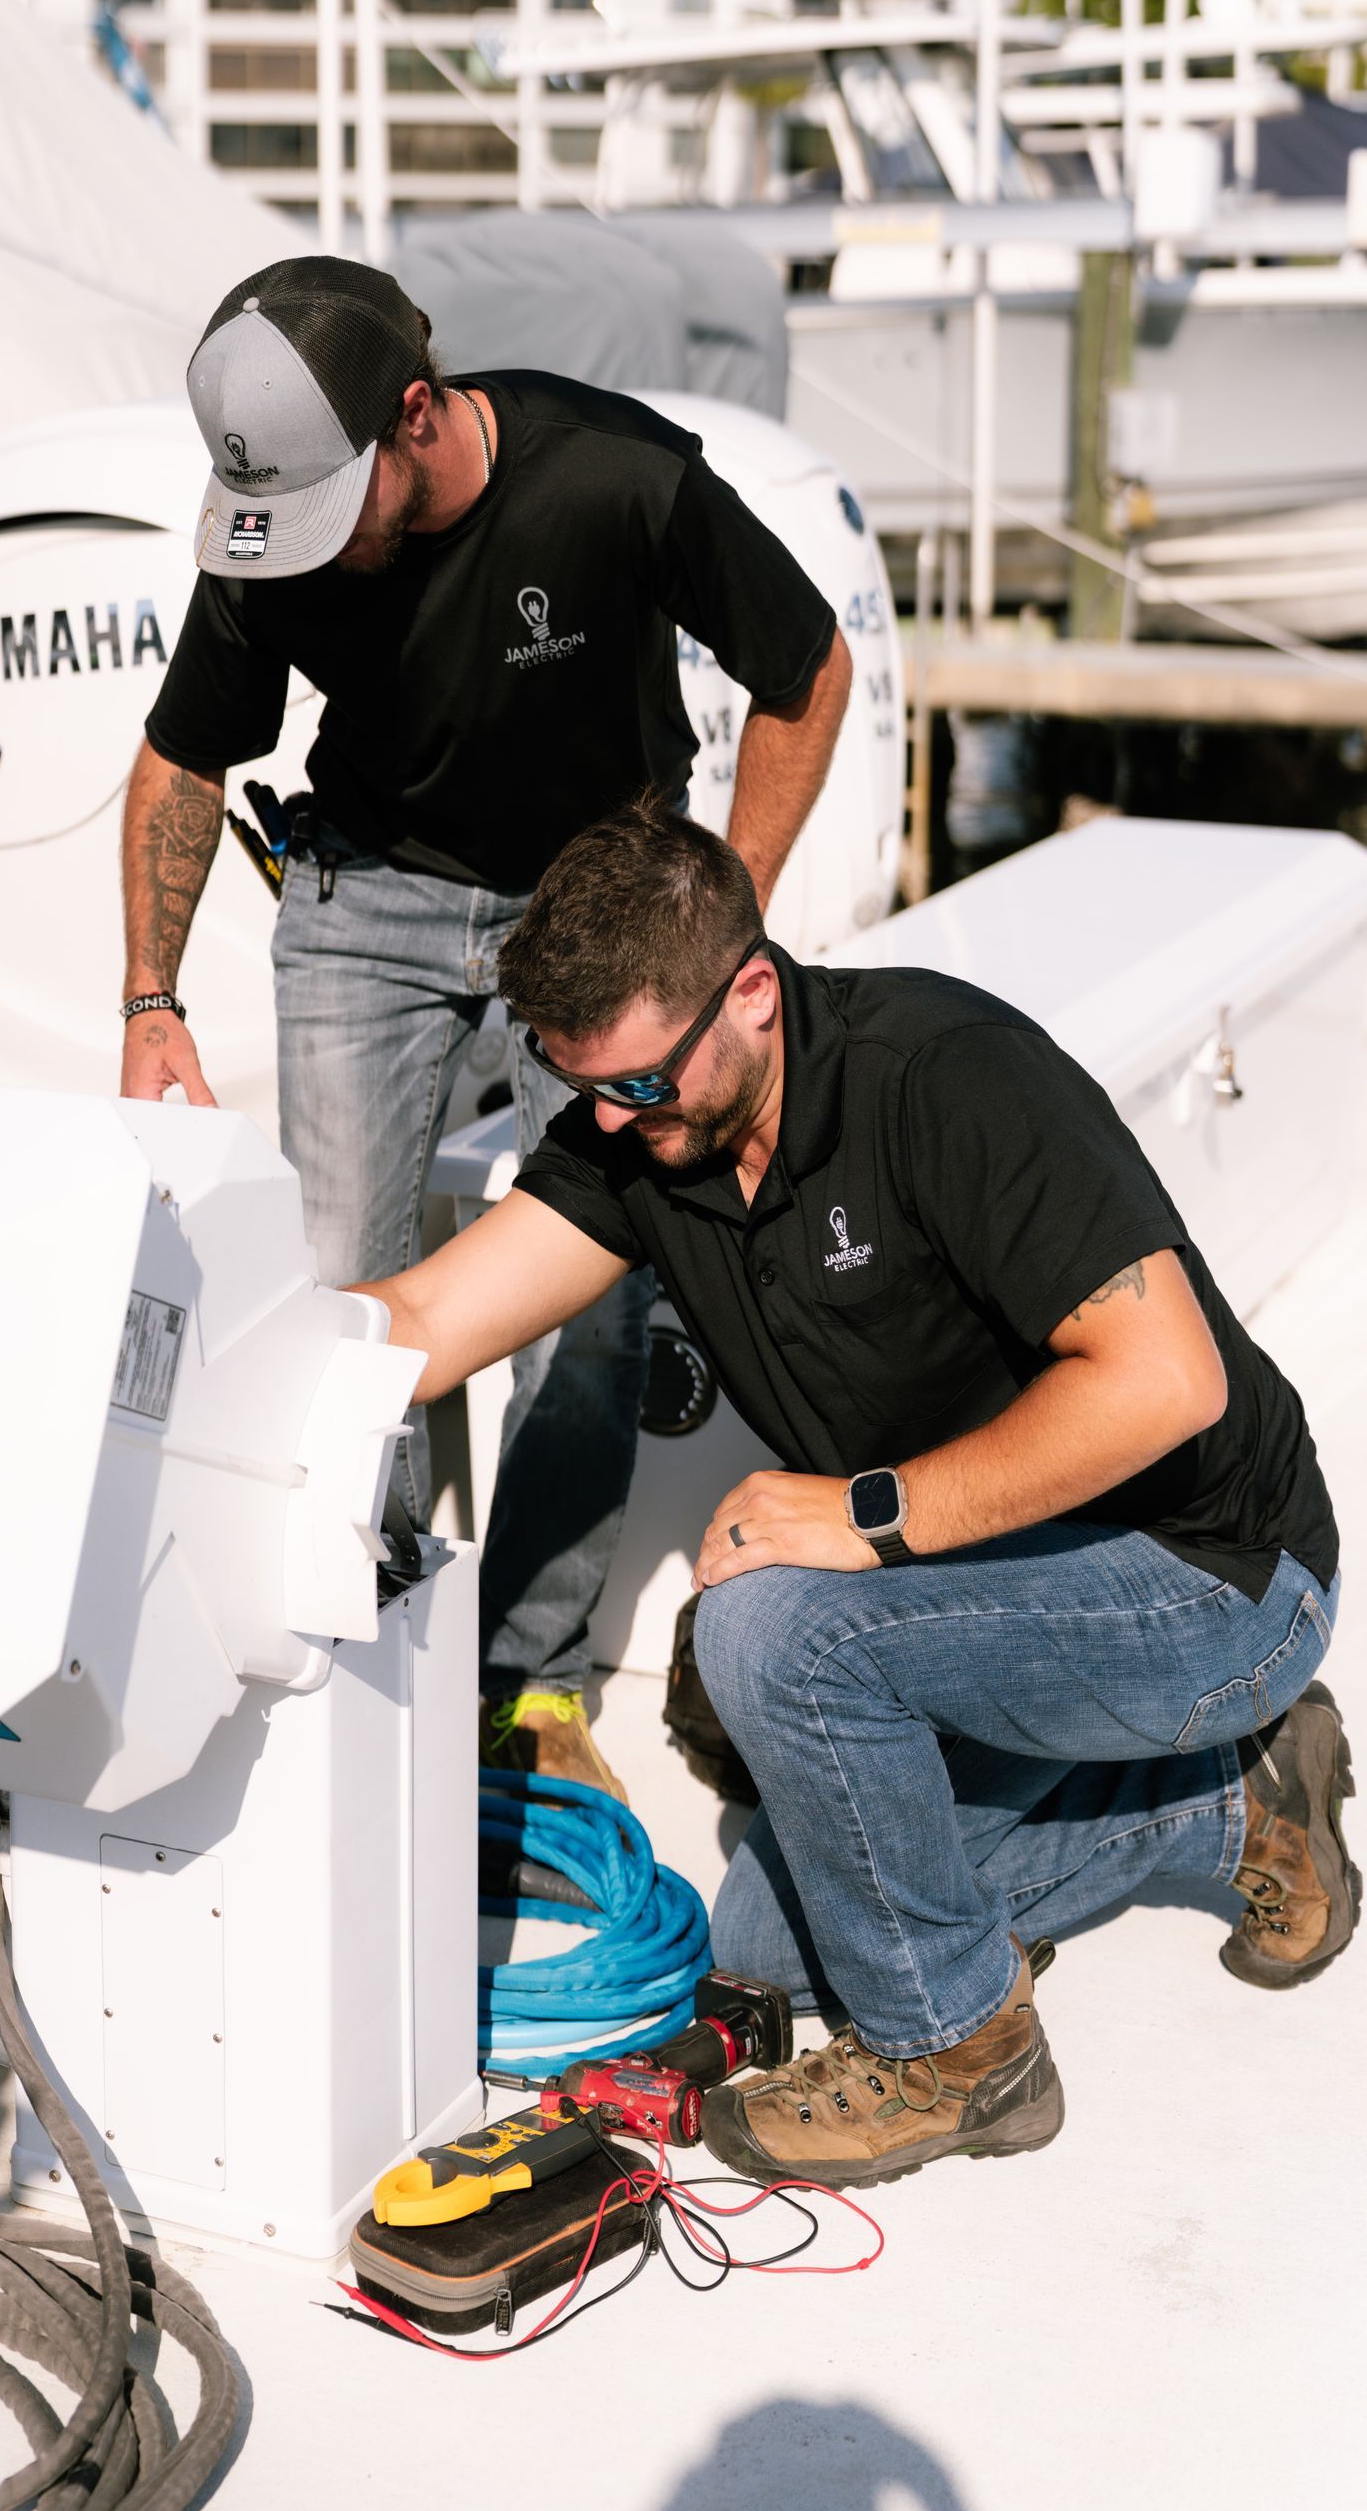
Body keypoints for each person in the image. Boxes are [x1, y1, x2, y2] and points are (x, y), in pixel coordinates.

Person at [356, 798, 1354, 2189]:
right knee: (763, 1945)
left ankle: (961, 2051)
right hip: (1005, 1592)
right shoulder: (642, 1134)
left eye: (640, 1083)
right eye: (579, 1083)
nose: (609, 1119)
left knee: (764, 1632)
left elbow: (1166, 1382)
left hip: (1213, 1576)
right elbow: (419, 1323)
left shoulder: (944, 1078)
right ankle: (1233, 1803)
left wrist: (864, 1515)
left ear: (751, 993)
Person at [119, 255, 852, 1799]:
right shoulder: (270, 537)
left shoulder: (616, 480)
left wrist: (721, 925)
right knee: (333, 1291)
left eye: (337, 501)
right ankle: (359, 1625)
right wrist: (149, 1002)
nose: (308, 551)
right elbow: (183, 762)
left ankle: (529, 1679)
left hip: (592, 908)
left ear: (415, 415)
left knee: (588, 1316)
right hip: (362, 900)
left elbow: (806, 671)